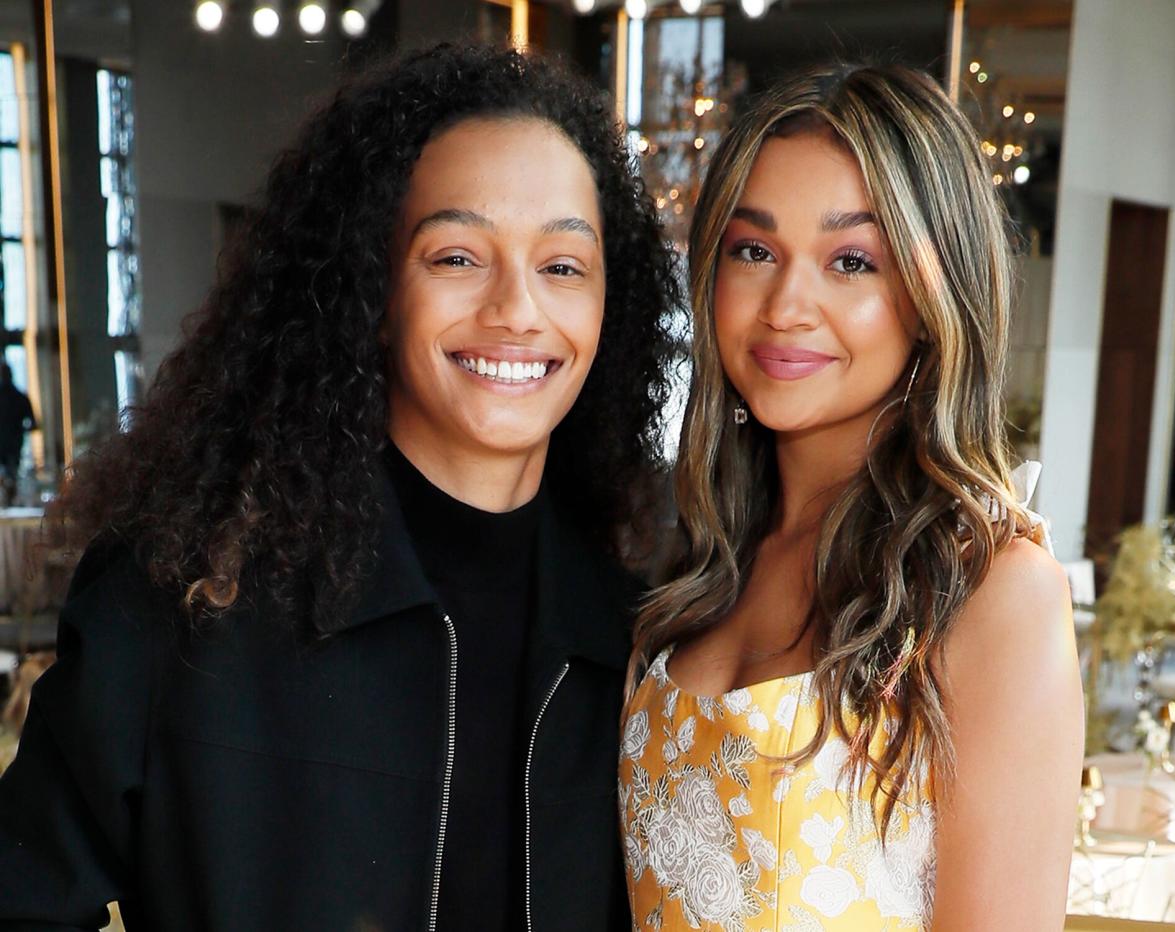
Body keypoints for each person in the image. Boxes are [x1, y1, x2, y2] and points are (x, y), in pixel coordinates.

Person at [0, 44, 678, 930]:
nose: (518, 309)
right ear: (373, 288)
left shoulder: (634, 643)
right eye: (457, 257)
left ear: (607, 307)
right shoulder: (184, 605)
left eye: (562, 267)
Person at [620, 64, 1082, 931]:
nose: (787, 306)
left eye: (851, 261)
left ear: (932, 295)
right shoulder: (698, 559)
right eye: (753, 250)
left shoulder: (992, 592)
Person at [0, 365, 34, 505]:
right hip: (14, 442)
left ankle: (7, 496)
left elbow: (32, 422)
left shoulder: (20, 397)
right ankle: (9, 496)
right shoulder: (20, 397)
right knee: (12, 471)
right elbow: (32, 423)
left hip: (8, 442)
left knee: (9, 471)